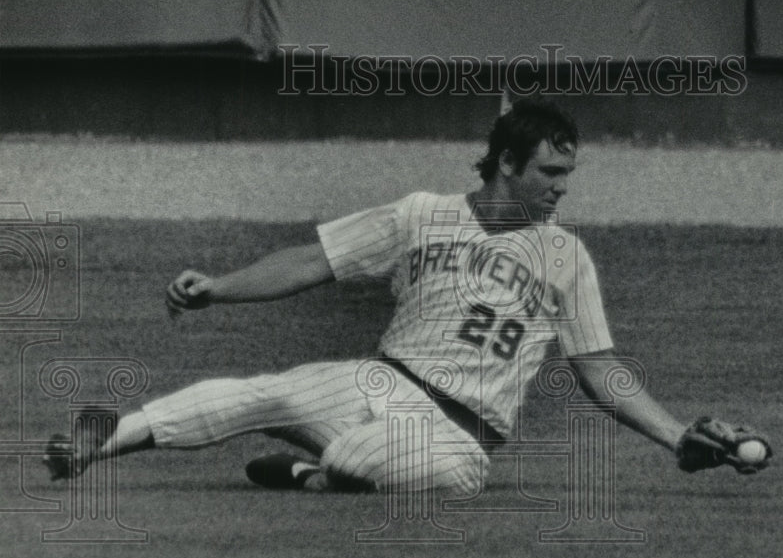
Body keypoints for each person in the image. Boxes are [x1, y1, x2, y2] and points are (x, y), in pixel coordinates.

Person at [43, 98, 745, 494]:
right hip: (379, 379)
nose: (563, 186)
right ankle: (101, 440)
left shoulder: (566, 256)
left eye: (568, 173)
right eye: (551, 171)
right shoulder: (420, 213)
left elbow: (601, 371)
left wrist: (676, 434)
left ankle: (311, 472)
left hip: (458, 438)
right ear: (506, 163)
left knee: (358, 460)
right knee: (254, 394)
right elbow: (316, 259)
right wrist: (218, 290)